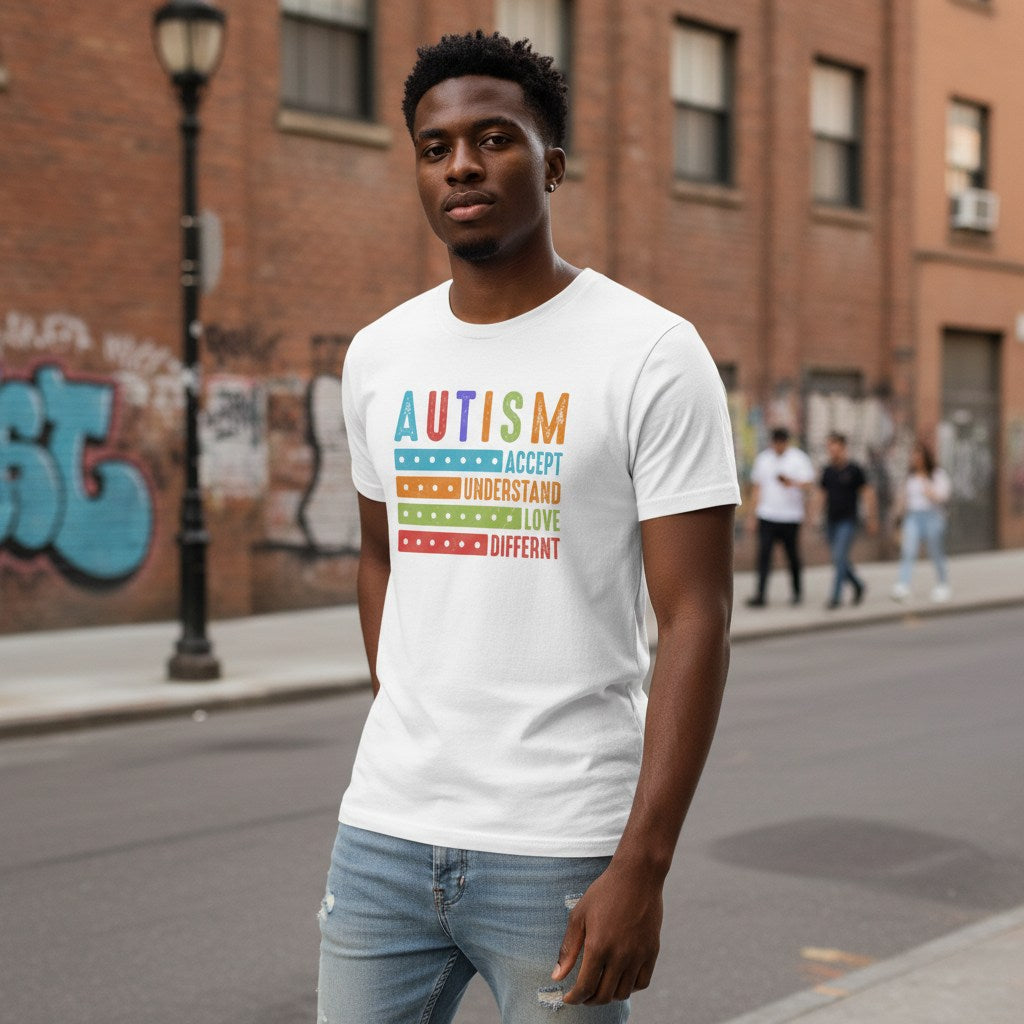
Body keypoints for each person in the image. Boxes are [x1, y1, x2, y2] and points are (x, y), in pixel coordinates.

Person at [318, 30, 740, 1024]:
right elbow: (381, 557)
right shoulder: (380, 355)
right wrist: (420, 706)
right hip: (382, 832)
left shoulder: (650, 354)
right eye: (435, 146)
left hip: (560, 847)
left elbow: (697, 618)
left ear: (551, 163)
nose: (462, 163)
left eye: (494, 138)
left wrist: (641, 863)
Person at [745, 426, 815, 607]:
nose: (778, 447)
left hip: (790, 516)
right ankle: (761, 594)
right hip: (767, 515)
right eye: (775, 443)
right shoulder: (763, 459)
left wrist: (791, 482)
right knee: (764, 556)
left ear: (786, 442)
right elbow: (757, 488)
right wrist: (752, 515)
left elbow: (809, 485)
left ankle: (797, 592)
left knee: (792, 556)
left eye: (781, 443)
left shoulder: (798, 459)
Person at [819, 432, 876, 609]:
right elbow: (822, 495)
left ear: (843, 448)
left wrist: (871, 517)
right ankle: (858, 585)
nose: (832, 451)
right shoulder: (827, 471)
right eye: (829, 448)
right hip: (831, 520)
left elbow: (867, 493)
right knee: (839, 559)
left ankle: (836, 597)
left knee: (839, 556)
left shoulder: (854, 470)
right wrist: (813, 515)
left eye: (835, 447)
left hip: (848, 520)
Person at [891, 440, 952, 602]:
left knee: (935, 552)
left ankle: (942, 584)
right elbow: (902, 499)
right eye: (913, 455)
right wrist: (898, 516)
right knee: (908, 551)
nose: (915, 458)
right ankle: (903, 585)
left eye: (918, 455)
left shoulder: (937, 474)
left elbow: (943, 496)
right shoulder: (909, 477)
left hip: (932, 516)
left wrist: (928, 487)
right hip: (913, 517)